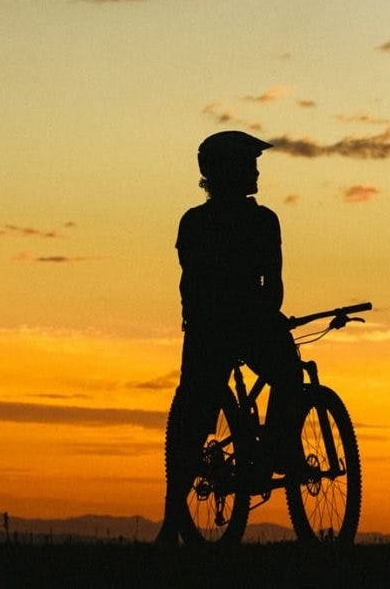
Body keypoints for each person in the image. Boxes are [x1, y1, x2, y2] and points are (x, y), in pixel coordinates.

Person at [157, 130, 305, 543]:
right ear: (230, 171)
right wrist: (264, 315)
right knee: (289, 375)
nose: (256, 170)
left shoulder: (193, 222)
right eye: (249, 163)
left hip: (205, 331)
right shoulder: (262, 221)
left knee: (192, 420)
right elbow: (273, 287)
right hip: (245, 325)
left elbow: (190, 287)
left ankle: (172, 520)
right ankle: (281, 448)